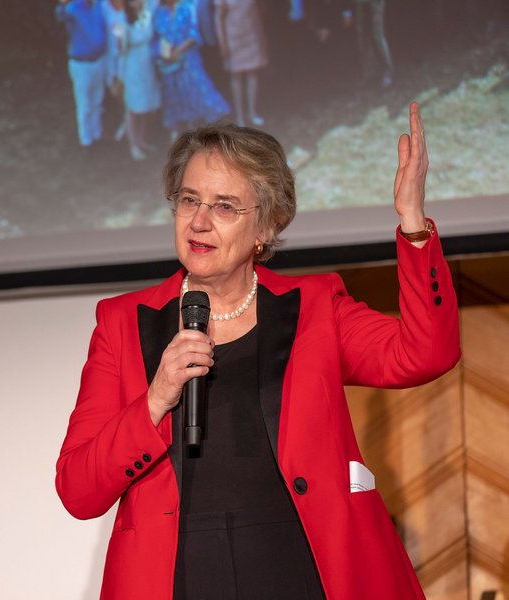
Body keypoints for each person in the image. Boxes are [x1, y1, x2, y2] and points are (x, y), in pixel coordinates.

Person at [55, 102, 459, 599]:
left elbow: (425, 354)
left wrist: (414, 225)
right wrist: (156, 398)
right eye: (188, 201)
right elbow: (78, 490)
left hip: (299, 562)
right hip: (178, 574)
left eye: (224, 206)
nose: (199, 222)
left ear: (265, 228)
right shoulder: (121, 323)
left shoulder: (313, 307)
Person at [154, 0, 231, 138]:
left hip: (188, 59)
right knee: (174, 94)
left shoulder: (186, 7)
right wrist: (165, 53)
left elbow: (193, 34)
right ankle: (178, 130)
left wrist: (178, 50)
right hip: (168, 62)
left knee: (194, 90)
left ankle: (197, 127)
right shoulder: (159, 13)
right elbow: (158, 37)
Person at [57, 0, 110, 148]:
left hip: (99, 60)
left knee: (97, 101)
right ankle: (87, 142)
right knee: (84, 105)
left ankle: (97, 135)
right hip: (81, 64)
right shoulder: (74, 7)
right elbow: (61, 15)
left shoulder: (101, 5)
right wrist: (62, 5)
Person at [117, 0, 162, 160]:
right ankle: (133, 145)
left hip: (146, 66)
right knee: (133, 108)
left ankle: (141, 140)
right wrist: (119, 76)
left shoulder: (147, 16)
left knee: (145, 105)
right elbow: (121, 51)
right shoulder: (123, 22)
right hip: (132, 68)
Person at [215, 0, 269, 127]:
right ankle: (240, 116)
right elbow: (219, 19)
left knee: (253, 73)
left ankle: (252, 112)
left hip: (251, 34)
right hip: (233, 37)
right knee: (236, 76)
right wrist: (222, 43)